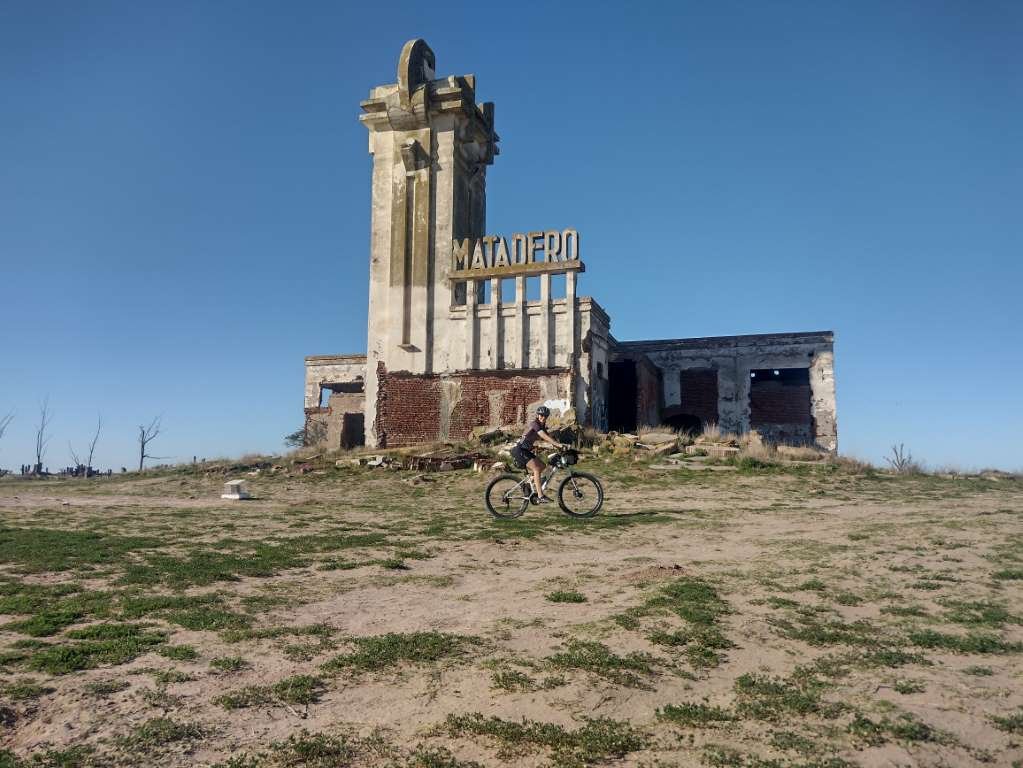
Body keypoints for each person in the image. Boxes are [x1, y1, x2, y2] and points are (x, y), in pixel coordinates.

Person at [510, 406, 567, 504]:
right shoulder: (535, 424)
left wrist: (560, 447)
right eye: (541, 415)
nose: (543, 417)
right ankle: (540, 496)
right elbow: (543, 436)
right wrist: (558, 445)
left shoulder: (542, 427)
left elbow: (549, 438)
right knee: (536, 469)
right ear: (537, 415)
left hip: (525, 451)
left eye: (545, 416)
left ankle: (527, 484)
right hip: (519, 450)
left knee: (542, 466)